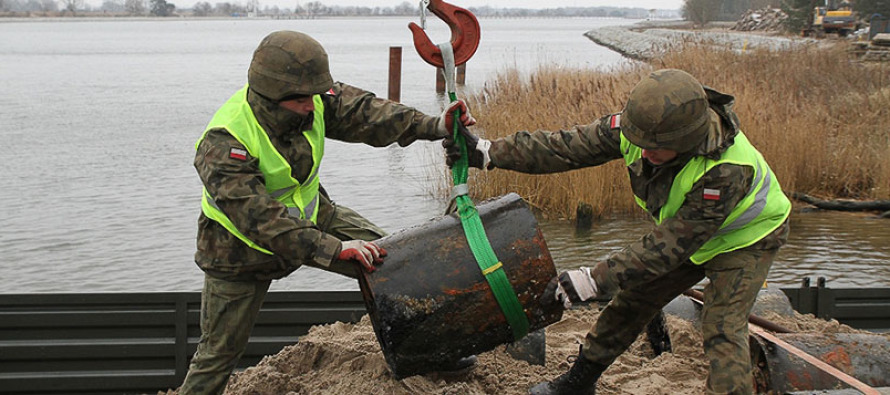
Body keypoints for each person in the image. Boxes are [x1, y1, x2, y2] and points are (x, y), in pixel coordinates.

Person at [445, 69, 791, 394]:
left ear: (688, 140)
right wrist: (489, 152)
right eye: (640, 141)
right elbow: (566, 146)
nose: (643, 151)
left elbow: (667, 247)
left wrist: (592, 279)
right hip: (686, 237)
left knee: (722, 327)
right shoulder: (638, 130)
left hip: (746, 241)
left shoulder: (726, 170)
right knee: (632, 300)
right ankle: (579, 382)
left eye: (655, 148)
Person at [180, 30, 475, 395]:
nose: (313, 105)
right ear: (272, 97)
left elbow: (369, 113)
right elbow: (261, 220)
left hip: (316, 218)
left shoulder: (313, 98)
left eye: (317, 94)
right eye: (302, 99)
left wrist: (435, 125)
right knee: (217, 356)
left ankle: (430, 354)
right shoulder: (223, 144)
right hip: (239, 253)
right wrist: (335, 248)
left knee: (396, 264)